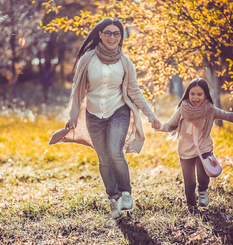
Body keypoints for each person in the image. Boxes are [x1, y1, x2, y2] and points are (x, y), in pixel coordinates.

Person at [49, 18, 161, 219]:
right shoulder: (87, 59)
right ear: (100, 34)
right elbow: (77, 90)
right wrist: (72, 116)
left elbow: (134, 91)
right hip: (94, 116)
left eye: (116, 33)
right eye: (108, 33)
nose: (112, 37)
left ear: (121, 37)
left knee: (114, 151)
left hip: (118, 111)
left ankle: (126, 192)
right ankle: (112, 198)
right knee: (103, 159)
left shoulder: (125, 63)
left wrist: (151, 116)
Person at [157, 78, 233, 209]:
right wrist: (159, 126)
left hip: (204, 148)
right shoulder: (182, 109)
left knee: (203, 177)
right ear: (188, 94)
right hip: (185, 150)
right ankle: (191, 205)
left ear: (206, 95)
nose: (195, 97)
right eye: (192, 94)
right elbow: (170, 125)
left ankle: (202, 192)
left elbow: (228, 115)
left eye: (199, 94)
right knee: (189, 183)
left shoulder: (210, 110)